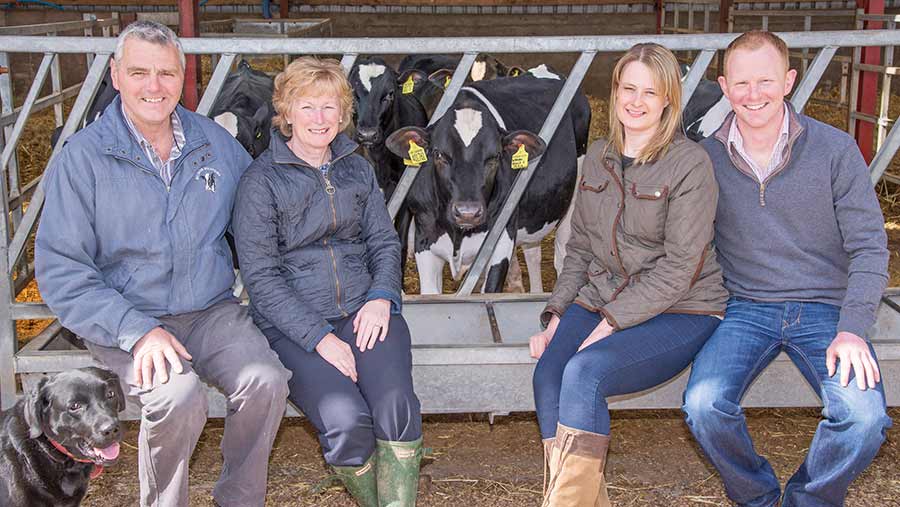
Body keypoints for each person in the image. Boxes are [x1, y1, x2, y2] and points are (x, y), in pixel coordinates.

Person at [34, 21, 291, 507]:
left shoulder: (215, 144)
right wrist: (136, 329)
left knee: (266, 380)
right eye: (139, 72)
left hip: (210, 311)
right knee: (177, 396)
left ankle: (239, 497)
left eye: (167, 73)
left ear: (183, 75)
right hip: (127, 318)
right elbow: (63, 270)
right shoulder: (83, 158)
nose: (154, 86)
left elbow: (264, 211)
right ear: (115, 75)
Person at [682, 30, 892, 507]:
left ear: (789, 81)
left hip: (827, 310)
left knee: (863, 420)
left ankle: (807, 500)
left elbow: (870, 247)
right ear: (723, 85)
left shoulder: (835, 150)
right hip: (744, 307)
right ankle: (756, 496)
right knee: (703, 406)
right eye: (741, 83)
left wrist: (854, 328)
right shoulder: (705, 158)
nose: (753, 94)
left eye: (765, 81)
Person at [529, 42, 728, 506]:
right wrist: (558, 311)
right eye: (628, 88)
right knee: (548, 375)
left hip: (684, 307)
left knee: (585, 372)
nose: (636, 102)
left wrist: (610, 323)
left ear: (668, 102)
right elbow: (578, 247)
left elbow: (682, 266)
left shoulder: (689, 165)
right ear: (614, 92)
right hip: (603, 296)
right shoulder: (597, 157)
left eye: (650, 92)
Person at [232, 56, 423, 507]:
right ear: (286, 111)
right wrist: (319, 338)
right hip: (294, 326)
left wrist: (381, 297)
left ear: (344, 114)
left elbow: (383, 241)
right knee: (345, 419)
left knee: (397, 406)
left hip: (365, 313)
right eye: (307, 107)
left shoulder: (357, 168)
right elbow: (260, 277)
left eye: (330, 107)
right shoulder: (260, 182)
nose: (320, 119)